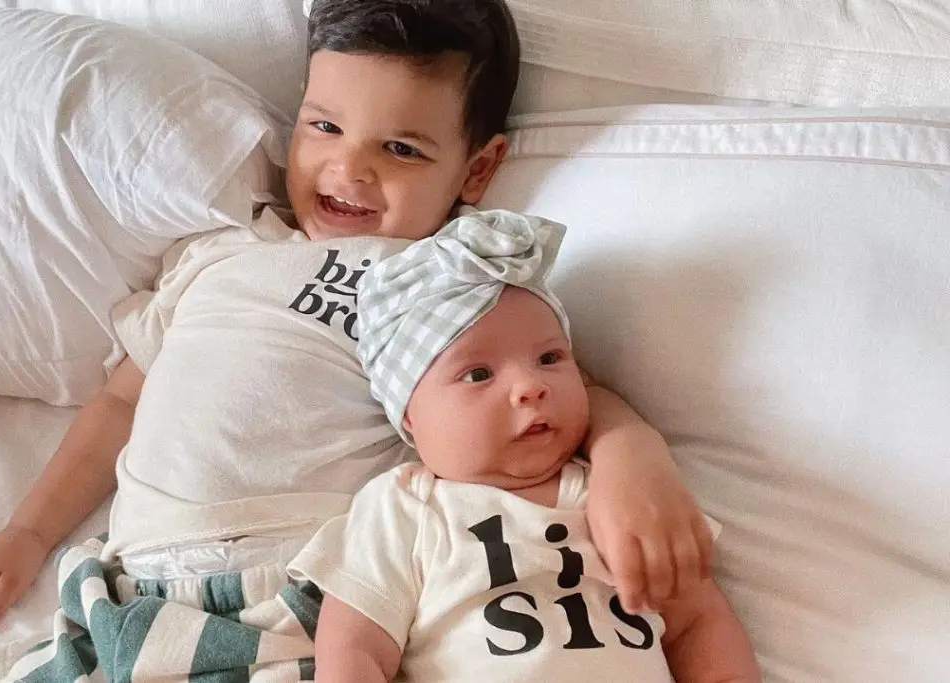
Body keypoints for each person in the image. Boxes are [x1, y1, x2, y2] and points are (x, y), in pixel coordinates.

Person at [0, 0, 710, 640]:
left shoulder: (451, 279)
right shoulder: (219, 252)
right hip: (129, 586)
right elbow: (120, 403)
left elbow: (556, 387)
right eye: (324, 127)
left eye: (400, 148)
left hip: (311, 590)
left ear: (477, 170)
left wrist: (632, 456)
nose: (349, 168)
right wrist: (26, 536)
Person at [289, 210, 760, 683]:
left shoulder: (615, 494)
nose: (531, 386)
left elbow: (697, 624)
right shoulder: (406, 508)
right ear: (409, 415)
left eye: (550, 357)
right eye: (478, 374)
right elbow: (354, 649)